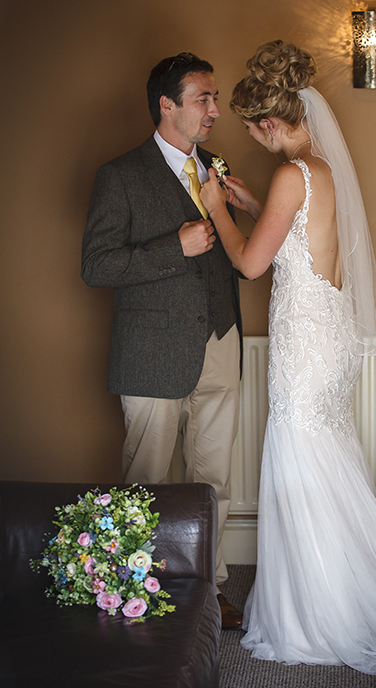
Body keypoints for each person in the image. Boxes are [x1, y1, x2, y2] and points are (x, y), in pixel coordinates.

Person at [198, 40, 376, 674]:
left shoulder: (288, 175)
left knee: (300, 461)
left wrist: (218, 207)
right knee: (323, 459)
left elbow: (250, 263)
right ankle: (344, 590)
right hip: (330, 339)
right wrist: (250, 206)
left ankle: (319, 610)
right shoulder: (321, 170)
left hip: (304, 344)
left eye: (255, 130)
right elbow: (303, 235)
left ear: (271, 123)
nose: (256, 139)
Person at [80, 52, 245, 630]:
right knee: (147, 477)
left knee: (214, 482)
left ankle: (212, 588)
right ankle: (133, 590)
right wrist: (172, 247)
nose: (215, 110)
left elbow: (230, 249)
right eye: (203, 98)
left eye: (215, 97)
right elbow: (96, 266)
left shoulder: (217, 167)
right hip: (151, 353)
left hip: (221, 341)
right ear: (166, 105)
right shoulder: (120, 175)